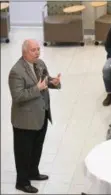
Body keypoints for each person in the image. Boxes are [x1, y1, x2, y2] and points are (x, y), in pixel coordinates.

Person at [8, 39, 61, 193]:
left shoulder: (40, 64)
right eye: (33, 50)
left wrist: (54, 82)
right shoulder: (16, 71)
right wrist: (37, 88)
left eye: (38, 49)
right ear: (24, 52)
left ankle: (33, 172)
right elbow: (18, 96)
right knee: (23, 151)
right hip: (24, 120)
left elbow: (45, 81)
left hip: (41, 115)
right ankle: (22, 182)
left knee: (37, 147)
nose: (37, 52)